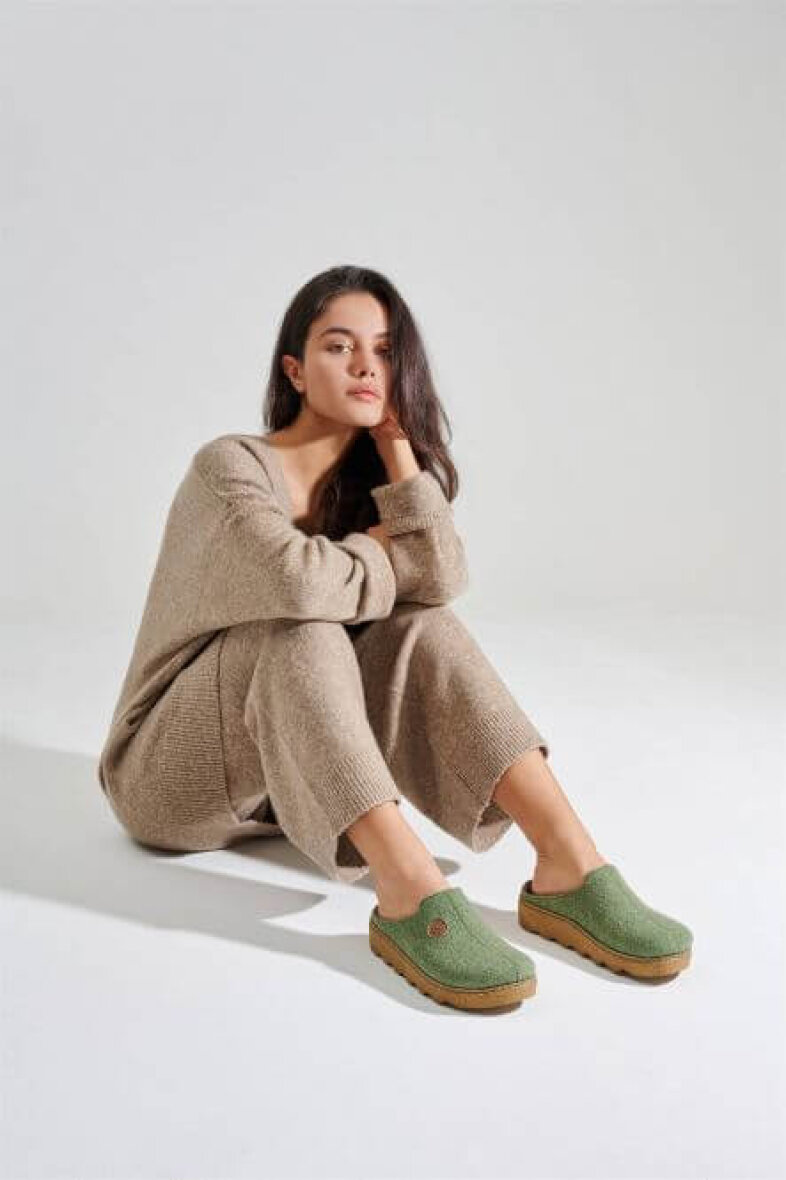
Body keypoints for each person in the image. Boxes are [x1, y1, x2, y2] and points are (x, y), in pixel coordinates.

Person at [97, 264, 693, 1011]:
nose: (364, 366)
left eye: (383, 351)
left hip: (277, 789)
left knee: (419, 624)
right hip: (165, 780)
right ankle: (410, 890)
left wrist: (398, 448)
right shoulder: (230, 470)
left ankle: (569, 866)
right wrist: (380, 554)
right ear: (295, 371)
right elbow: (297, 584)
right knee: (301, 628)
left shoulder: (366, 480)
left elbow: (439, 577)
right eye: (338, 346)